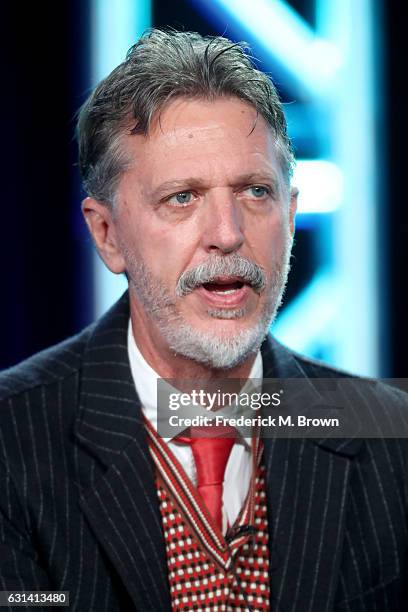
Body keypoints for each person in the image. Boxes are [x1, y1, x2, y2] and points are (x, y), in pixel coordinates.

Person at [0, 28, 407, 612]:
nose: (227, 234)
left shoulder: (391, 437)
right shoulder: (12, 443)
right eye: (183, 197)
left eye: (255, 191)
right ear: (107, 234)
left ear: (291, 215)